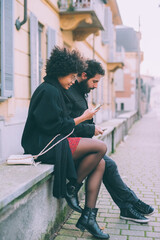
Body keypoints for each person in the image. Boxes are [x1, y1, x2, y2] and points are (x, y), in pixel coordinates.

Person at [21, 47, 110, 239]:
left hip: (55, 141)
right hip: (44, 146)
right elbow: (55, 127)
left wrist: (80, 122)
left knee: (100, 162)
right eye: (71, 76)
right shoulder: (48, 91)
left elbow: (61, 125)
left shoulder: (56, 89)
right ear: (60, 72)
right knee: (101, 147)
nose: (72, 81)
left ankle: (88, 216)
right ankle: (72, 187)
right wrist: (83, 118)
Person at [63, 59, 154, 223]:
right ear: (83, 75)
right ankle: (130, 202)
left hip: (83, 145)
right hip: (71, 147)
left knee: (109, 166)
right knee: (109, 165)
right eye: (94, 81)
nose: (96, 86)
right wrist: (91, 128)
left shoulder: (80, 93)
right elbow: (66, 126)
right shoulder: (69, 92)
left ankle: (127, 205)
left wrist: (91, 126)